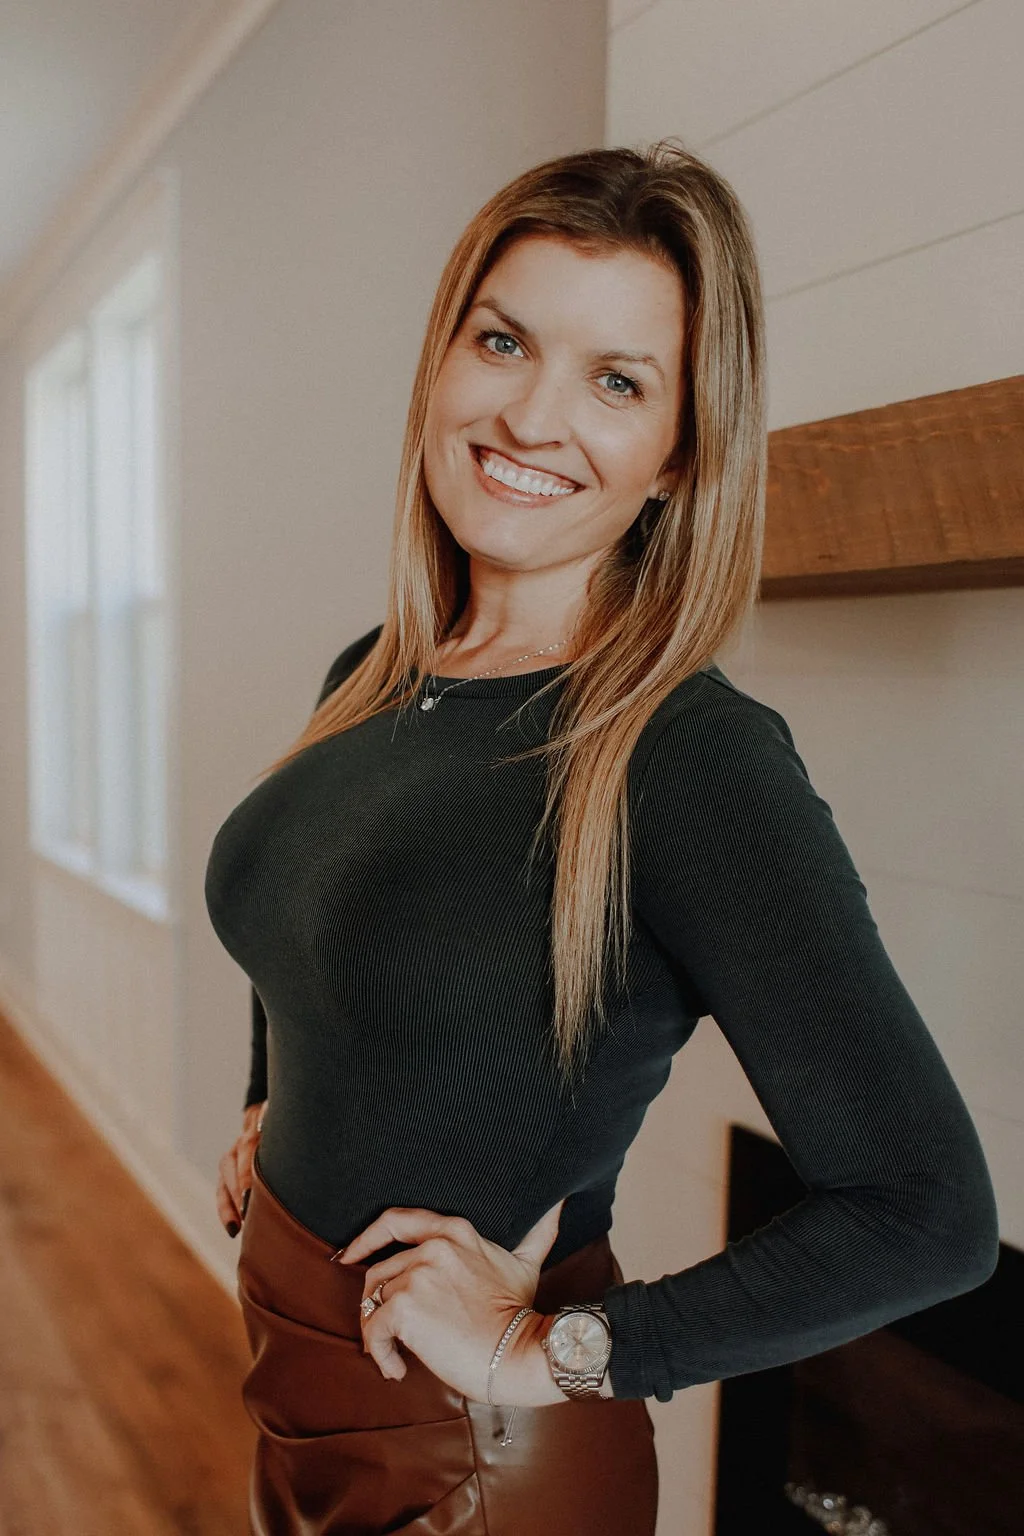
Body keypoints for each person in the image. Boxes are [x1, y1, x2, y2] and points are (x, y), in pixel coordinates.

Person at [203, 140, 999, 1536]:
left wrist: (547, 1350)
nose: (529, 414)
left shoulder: (687, 757)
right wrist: (274, 1101)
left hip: (472, 1462)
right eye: (503, 340)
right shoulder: (378, 671)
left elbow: (923, 1208)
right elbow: (321, 913)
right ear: (443, 358)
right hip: (300, 1374)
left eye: (617, 380)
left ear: (681, 449)